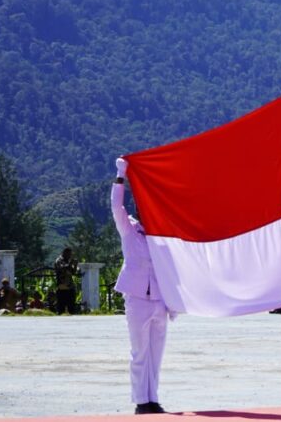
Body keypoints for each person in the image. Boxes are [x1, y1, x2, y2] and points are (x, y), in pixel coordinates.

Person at [112, 158, 171, 415]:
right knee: (139, 352)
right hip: (136, 297)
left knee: (156, 353)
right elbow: (116, 206)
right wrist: (121, 175)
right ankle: (141, 401)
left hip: (160, 299)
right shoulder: (129, 229)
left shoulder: (162, 235)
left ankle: (153, 399)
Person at [54, 247, 79, 315]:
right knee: (61, 307)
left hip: (70, 286)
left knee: (72, 306)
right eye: (69, 254)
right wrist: (71, 263)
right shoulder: (59, 260)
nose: (70, 256)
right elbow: (62, 268)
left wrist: (75, 265)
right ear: (64, 253)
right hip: (62, 286)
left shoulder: (67, 260)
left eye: (71, 254)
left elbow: (73, 272)